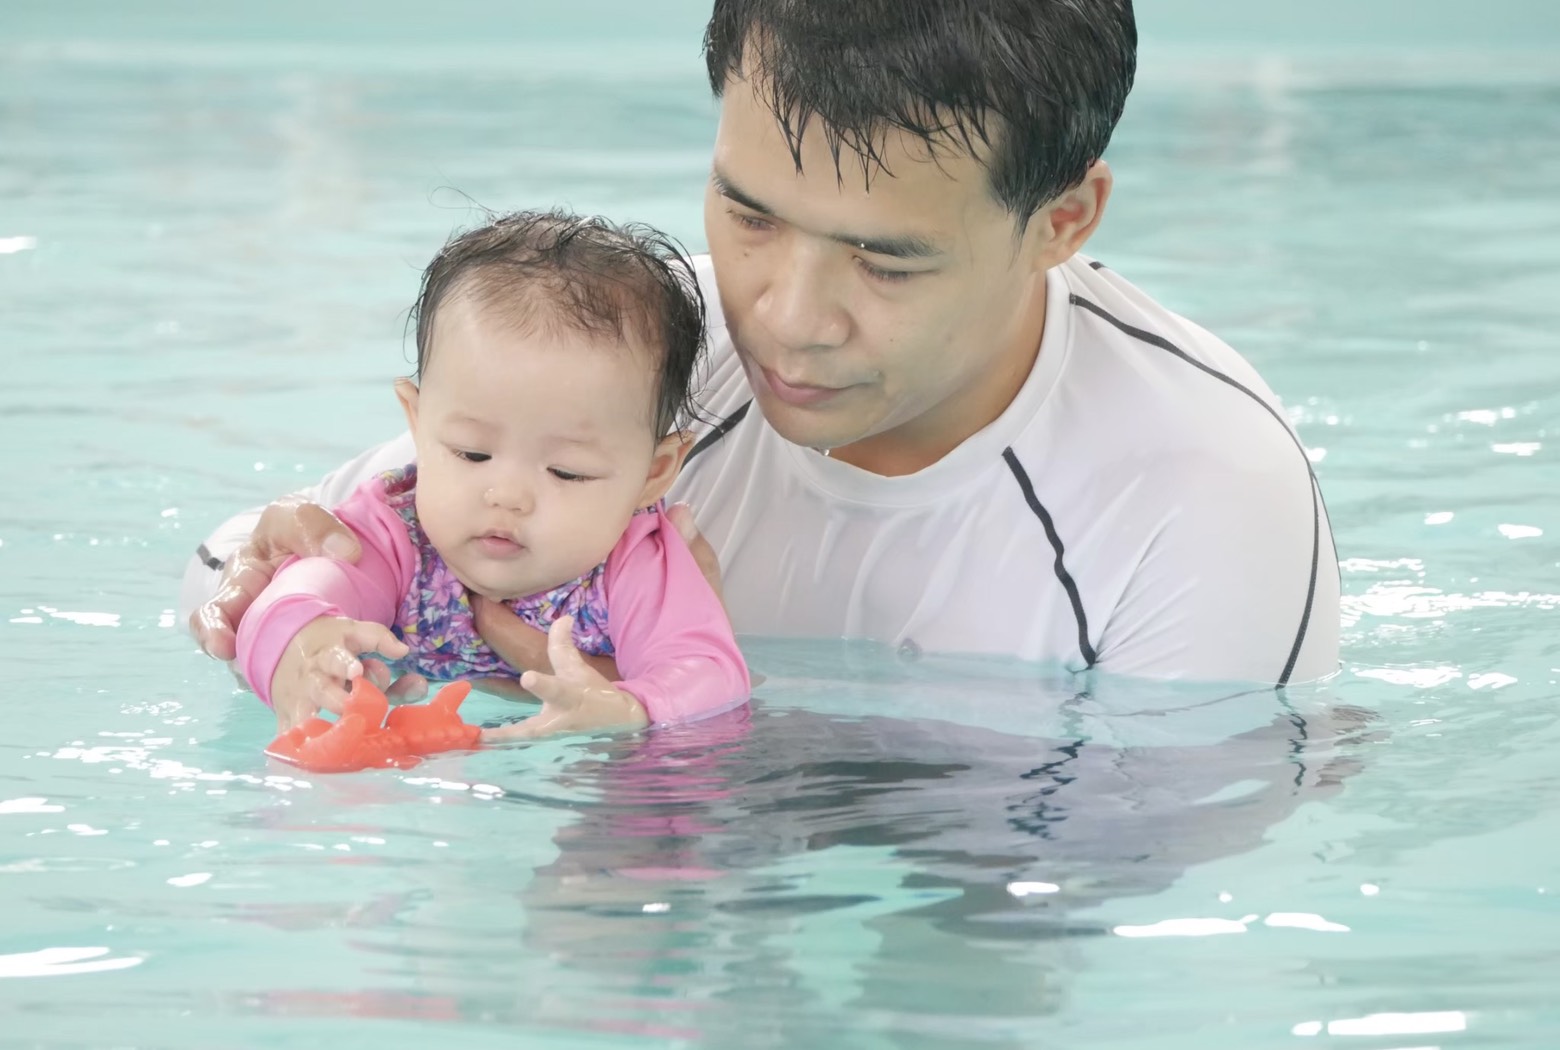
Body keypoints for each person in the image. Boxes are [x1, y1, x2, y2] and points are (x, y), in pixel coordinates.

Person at [182, 0, 1339, 691]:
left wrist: (669, 717)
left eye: (886, 261)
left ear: (1062, 223)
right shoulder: (651, 354)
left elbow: (1102, 875)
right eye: (748, 215)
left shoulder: (1198, 500)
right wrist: (269, 598)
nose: (782, 316)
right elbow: (266, 554)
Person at [229, 209, 750, 739]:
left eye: (567, 472)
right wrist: (305, 642)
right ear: (417, 421)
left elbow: (711, 673)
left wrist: (631, 708)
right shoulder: (395, 536)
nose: (507, 496)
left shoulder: (638, 564)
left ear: (654, 474)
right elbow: (297, 594)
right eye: (472, 454)